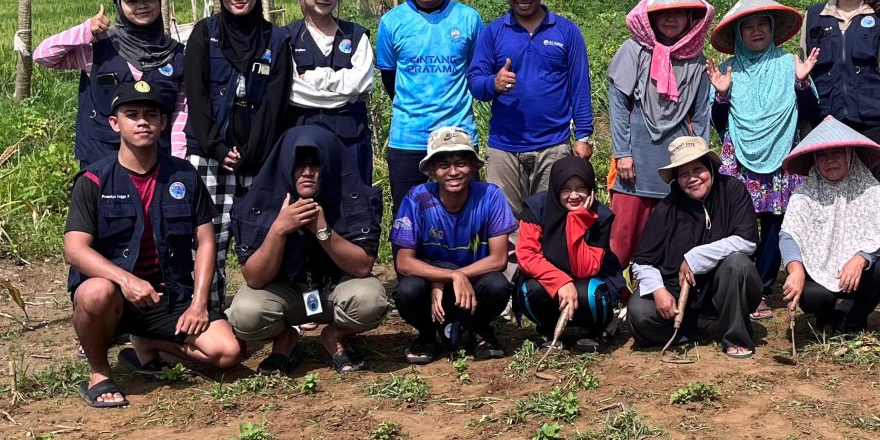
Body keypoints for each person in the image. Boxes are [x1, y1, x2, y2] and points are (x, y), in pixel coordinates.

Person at [63, 81, 243, 408]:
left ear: (163, 123)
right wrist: (125, 280)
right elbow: (75, 250)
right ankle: (99, 373)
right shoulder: (94, 180)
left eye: (151, 115)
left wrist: (199, 304)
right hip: (116, 297)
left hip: (168, 295)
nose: (142, 121)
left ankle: (149, 342)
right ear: (115, 124)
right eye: (131, 115)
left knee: (227, 353)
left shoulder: (185, 176)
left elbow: (205, 242)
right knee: (94, 292)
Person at [228, 127, 389, 374]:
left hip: (334, 288)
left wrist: (323, 230)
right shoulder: (258, 202)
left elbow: (362, 266)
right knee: (245, 314)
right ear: (284, 166)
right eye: (298, 164)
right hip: (284, 292)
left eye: (315, 164)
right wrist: (279, 230)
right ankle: (285, 341)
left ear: (329, 165)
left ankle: (335, 335)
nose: (307, 172)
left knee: (370, 300)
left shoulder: (352, 196)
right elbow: (254, 278)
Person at [707, 0, 819, 309]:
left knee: (775, 220)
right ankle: (738, 284)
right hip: (739, 152)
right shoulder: (728, 69)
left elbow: (810, 111)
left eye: (762, 26)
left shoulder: (788, 64)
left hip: (782, 153)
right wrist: (723, 95)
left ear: (772, 30)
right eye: (748, 27)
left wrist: (800, 83)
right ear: (739, 35)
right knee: (738, 220)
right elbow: (717, 121)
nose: (757, 32)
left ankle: (763, 288)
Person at [181, 0, 279, 308]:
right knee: (210, 236)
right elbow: (197, 94)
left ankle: (269, 315)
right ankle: (208, 311)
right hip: (210, 156)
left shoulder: (274, 37)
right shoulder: (204, 33)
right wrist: (217, 148)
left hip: (259, 158)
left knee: (264, 235)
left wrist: (252, 152)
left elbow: (274, 104)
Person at [467, 0, 593, 219]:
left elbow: (580, 86)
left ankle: (543, 262)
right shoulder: (493, 32)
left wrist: (583, 136)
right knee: (504, 222)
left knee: (548, 218)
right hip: (504, 146)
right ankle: (511, 263)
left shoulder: (566, 31)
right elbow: (476, 83)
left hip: (553, 144)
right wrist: (494, 83)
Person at [607, 0, 714, 264]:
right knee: (623, 234)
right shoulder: (634, 50)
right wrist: (623, 153)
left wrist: (697, 161)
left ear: (689, 18)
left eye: (678, 13)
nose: (671, 19)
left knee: (674, 232)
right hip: (637, 157)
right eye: (663, 13)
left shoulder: (696, 60)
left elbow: (702, 113)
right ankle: (617, 296)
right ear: (651, 17)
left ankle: (665, 296)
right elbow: (617, 103)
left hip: (677, 158)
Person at [34, 0, 187, 166]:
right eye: (132, 0)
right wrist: (85, 30)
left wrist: (179, 162)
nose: (142, 5)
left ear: (158, 1)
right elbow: (42, 55)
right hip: (101, 160)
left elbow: (181, 113)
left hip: (156, 162)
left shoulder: (177, 55)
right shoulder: (96, 48)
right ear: (119, 6)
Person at [628, 136, 761, 359]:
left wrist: (695, 257)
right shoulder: (667, 208)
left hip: (724, 289)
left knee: (738, 263)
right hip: (680, 294)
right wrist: (659, 291)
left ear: (710, 168)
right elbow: (642, 260)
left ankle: (734, 335)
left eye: (698, 169)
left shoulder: (732, 190)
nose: (692, 179)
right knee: (639, 312)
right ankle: (690, 329)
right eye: (683, 174)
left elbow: (747, 241)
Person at [390, 127, 515, 362]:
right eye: (444, 165)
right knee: (407, 290)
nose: (453, 172)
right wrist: (448, 278)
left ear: (474, 166)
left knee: (498, 285)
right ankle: (427, 335)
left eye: (461, 163)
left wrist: (456, 276)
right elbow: (404, 262)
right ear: (431, 170)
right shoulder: (417, 198)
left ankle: (479, 329)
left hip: (473, 285)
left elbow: (499, 259)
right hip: (430, 287)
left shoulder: (491, 195)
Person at [377, 0, 483, 211]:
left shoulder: (469, 19)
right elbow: (390, 78)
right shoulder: (392, 22)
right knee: (409, 220)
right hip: (408, 137)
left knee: (466, 218)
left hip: (458, 136)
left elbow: (476, 71)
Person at [777, 118, 880, 335]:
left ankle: (856, 318)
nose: (830, 161)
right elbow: (789, 235)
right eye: (823, 156)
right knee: (812, 297)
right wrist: (795, 270)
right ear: (815, 160)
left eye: (837, 154)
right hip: (818, 272)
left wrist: (860, 259)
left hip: (858, 273)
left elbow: (879, 236)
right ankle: (827, 316)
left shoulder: (870, 190)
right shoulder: (804, 193)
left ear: (849, 155)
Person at [273, 0, 377, 180]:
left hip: (351, 138)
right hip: (301, 137)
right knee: (307, 206)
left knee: (355, 204)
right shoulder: (285, 37)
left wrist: (314, 77)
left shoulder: (356, 35)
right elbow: (291, 92)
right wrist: (344, 95)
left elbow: (363, 83)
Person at [513, 156, 625, 352]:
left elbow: (586, 269)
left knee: (590, 293)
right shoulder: (536, 209)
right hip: (551, 281)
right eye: (566, 188)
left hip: (587, 281)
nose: (573, 195)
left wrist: (578, 221)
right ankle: (548, 330)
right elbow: (527, 256)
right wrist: (561, 282)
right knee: (532, 290)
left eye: (580, 188)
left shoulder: (602, 216)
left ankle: (596, 330)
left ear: (590, 188)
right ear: (555, 188)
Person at [803, 0, 880, 172]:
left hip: (869, 123)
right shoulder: (814, 16)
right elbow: (804, 77)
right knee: (827, 195)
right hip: (825, 121)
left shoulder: (877, 18)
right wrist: (805, 129)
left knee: (869, 195)